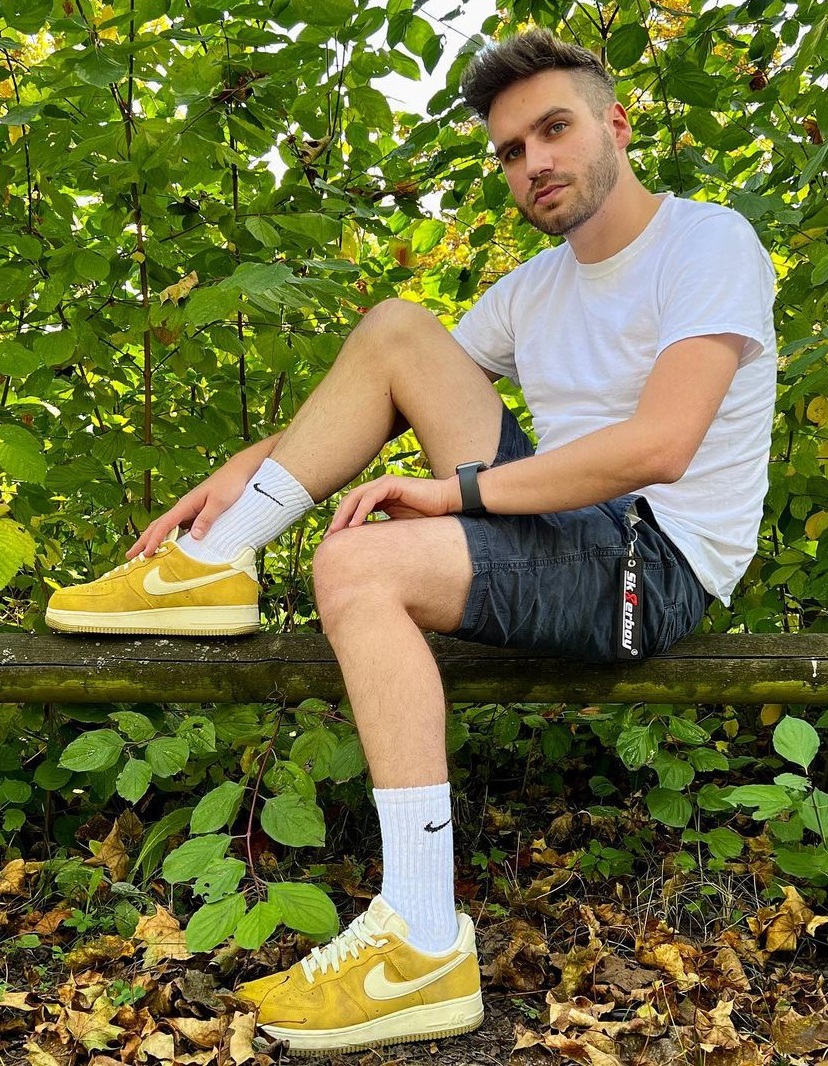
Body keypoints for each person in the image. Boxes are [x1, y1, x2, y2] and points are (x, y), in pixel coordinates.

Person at [45, 30, 777, 1056]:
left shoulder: (709, 243)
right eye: (512, 151)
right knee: (396, 328)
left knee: (357, 561)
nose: (535, 164)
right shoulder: (536, 289)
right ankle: (213, 565)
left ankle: (423, 939)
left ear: (615, 124)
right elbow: (371, 392)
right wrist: (224, 494)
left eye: (554, 130)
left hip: (648, 570)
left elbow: (659, 447)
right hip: (572, 534)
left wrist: (453, 492)